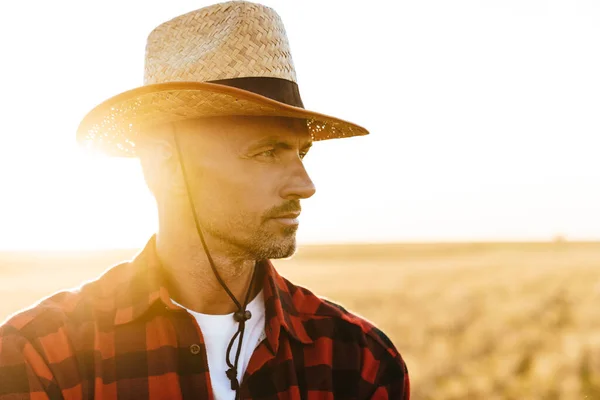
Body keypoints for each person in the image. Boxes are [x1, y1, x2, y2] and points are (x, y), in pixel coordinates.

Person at [0, 2, 410, 399]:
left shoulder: (359, 360)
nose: (305, 185)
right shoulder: (43, 356)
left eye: (301, 153)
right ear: (166, 163)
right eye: (267, 152)